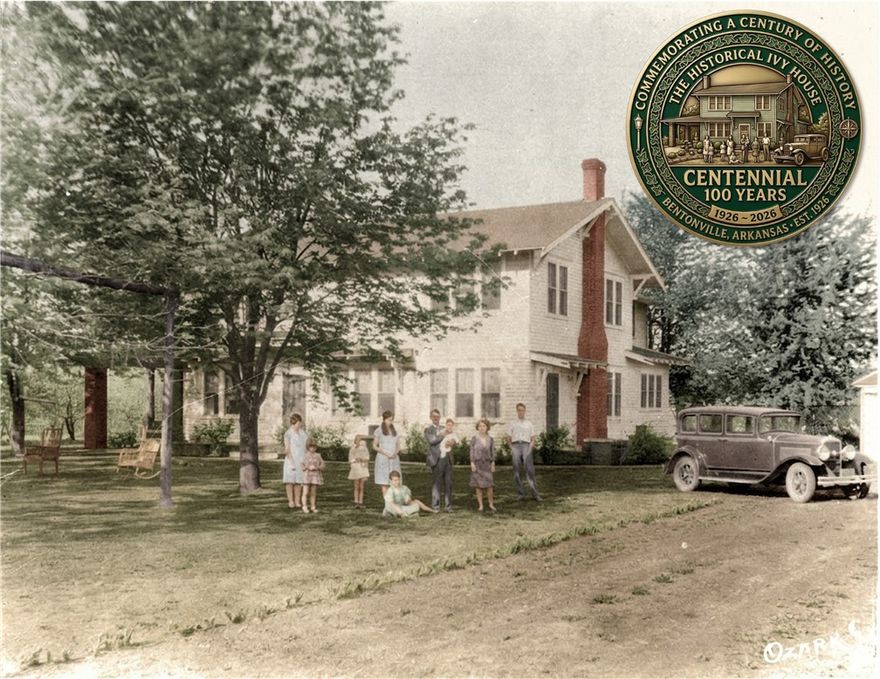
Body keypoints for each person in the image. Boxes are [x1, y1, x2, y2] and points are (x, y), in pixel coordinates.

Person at [506, 403, 541, 501]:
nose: (521, 412)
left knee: (530, 471)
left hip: (526, 446)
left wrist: (530, 448)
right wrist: (511, 448)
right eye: (519, 410)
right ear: (517, 411)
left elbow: (533, 438)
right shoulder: (513, 423)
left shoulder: (529, 423)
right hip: (516, 445)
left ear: (525, 411)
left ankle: (535, 495)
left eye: (523, 410)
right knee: (517, 471)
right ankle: (521, 494)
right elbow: (508, 437)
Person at [424, 409, 453, 512]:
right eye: (434, 417)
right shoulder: (428, 430)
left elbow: (452, 437)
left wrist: (452, 442)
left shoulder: (444, 428)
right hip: (436, 459)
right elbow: (432, 441)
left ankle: (448, 506)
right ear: (430, 418)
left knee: (448, 483)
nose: (436, 418)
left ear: (440, 417)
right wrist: (442, 435)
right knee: (436, 483)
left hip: (447, 458)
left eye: (438, 417)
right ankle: (435, 506)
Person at [469, 419, 496, 512]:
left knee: (489, 486)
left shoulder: (490, 439)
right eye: (480, 426)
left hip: (487, 465)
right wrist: (472, 463)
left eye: (484, 426)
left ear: (487, 427)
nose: (482, 428)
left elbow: (493, 452)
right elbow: (471, 451)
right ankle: (480, 505)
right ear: (477, 428)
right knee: (478, 486)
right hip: (477, 464)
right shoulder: (474, 439)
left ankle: (491, 504)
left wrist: (493, 463)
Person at [373, 410, 401, 498]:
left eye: (392, 420)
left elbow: (398, 446)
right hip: (383, 458)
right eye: (389, 420)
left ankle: (394, 503)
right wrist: (385, 453)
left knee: (394, 481)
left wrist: (395, 453)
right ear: (384, 419)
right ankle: (387, 504)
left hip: (393, 458)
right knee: (384, 482)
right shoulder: (379, 431)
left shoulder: (394, 431)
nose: (390, 422)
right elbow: (374, 446)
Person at [283, 413, 308, 509]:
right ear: (293, 423)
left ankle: (297, 501)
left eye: (299, 424)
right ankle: (291, 501)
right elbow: (287, 449)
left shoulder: (303, 433)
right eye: (297, 424)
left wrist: (306, 459)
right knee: (290, 481)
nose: (299, 426)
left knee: (299, 481)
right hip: (291, 460)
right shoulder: (288, 433)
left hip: (301, 459)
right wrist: (291, 462)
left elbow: (306, 447)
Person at [301, 439, 325, 513]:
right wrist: (307, 467)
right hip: (307, 476)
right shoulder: (305, 456)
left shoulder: (318, 455)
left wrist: (318, 467)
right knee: (305, 492)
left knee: (313, 493)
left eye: (314, 447)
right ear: (308, 447)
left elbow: (323, 465)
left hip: (315, 476)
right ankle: (304, 506)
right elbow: (302, 465)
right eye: (311, 447)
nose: (313, 449)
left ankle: (313, 506)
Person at [348, 434, 370, 508]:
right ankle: (356, 502)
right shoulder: (352, 449)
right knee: (356, 485)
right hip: (355, 468)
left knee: (362, 486)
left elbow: (367, 458)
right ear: (355, 441)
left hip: (363, 468)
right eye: (357, 440)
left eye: (360, 441)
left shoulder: (364, 449)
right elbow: (350, 460)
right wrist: (355, 460)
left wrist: (362, 460)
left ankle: (361, 502)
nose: (358, 442)